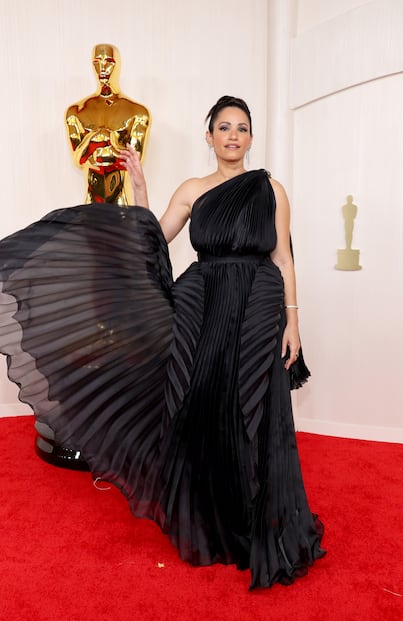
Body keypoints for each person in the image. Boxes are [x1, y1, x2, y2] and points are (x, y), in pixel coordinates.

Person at [0, 95, 325, 589]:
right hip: (205, 304)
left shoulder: (271, 190)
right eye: (224, 127)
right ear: (210, 135)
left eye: (242, 127)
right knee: (205, 406)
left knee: (256, 406)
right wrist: (140, 189)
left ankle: (260, 521)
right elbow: (154, 238)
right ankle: (216, 520)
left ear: (251, 137)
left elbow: (283, 259)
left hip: (259, 305)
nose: (233, 135)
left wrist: (293, 322)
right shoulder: (193, 189)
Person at [66, 43, 151, 205]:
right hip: (91, 204)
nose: (102, 68)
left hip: (122, 204)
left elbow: (134, 162)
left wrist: (108, 139)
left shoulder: (137, 113)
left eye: (109, 62)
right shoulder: (76, 112)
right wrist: (96, 137)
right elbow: (79, 160)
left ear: (118, 64)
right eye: (97, 62)